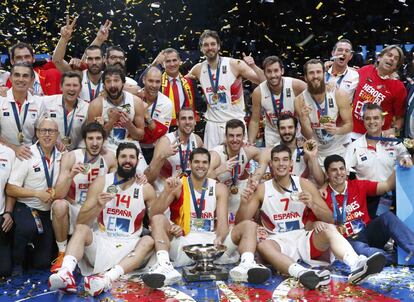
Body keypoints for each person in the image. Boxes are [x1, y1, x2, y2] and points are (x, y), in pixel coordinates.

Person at [236, 144, 386, 289]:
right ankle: (303, 274)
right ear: (271, 164)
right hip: (278, 240)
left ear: (291, 164)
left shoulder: (304, 184)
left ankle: (357, 264)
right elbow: (241, 225)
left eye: (285, 159)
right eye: (276, 160)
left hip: (303, 237)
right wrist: (244, 202)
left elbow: (329, 218)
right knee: (263, 245)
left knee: (328, 228)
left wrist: (312, 204)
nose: (281, 163)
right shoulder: (262, 189)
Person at [142, 148, 270, 289]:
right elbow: (153, 213)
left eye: (204, 162)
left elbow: (222, 223)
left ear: (209, 165)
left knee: (249, 225)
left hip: (212, 243)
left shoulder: (219, 187)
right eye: (196, 162)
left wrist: (220, 239)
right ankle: (164, 266)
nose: (200, 166)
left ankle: (246, 265)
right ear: (189, 164)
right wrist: (166, 192)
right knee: (158, 219)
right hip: (184, 242)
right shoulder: (179, 185)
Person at [48, 143, 156, 296]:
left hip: (129, 247)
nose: (127, 160)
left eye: (132, 157)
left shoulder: (145, 188)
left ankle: (105, 280)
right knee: (82, 230)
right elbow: (81, 220)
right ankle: (65, 273)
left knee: (149, 241)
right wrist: (98, 205)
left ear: (137, 161)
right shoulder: (101, 182)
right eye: (123, 156)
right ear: (117, 159)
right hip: (102, 245)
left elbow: (156, 219)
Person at [49, 122, 117, 273]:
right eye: (90, 138)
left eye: (98, 138)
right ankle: (62, 252)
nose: (94, 143)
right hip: (75, 208)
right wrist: (71, 175)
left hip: (96, 211)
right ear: (84, 141)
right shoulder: (71, 157)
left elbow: (117, 187)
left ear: (103, 140)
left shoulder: (110, 158)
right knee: (59, 205)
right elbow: (58, 194)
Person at [323, 154, 414, 264]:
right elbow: (311, 223)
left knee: (387, 217)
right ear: (327, 174)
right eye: (334, 170)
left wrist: (398, 167)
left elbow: (386, 186)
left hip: (368, 232)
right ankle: (398, 260)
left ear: (346, 170)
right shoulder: (322, 195)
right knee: (361, 251)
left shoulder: (358, 185)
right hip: (348, 240)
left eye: (341, 168)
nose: (339, 173)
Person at [188, 30, 265, 149]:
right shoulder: (198, 69)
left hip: (235, 125)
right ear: (201, 48)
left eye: (213, 44)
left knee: (238, 166)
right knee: (212, 166)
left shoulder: (234, 64)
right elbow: (179, 83)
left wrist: (253, 66)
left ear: (218, 46)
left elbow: (263, 81)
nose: (210, 47)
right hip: (212, 126)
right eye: (206, 45)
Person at [6, 118, 63, 272]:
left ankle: (30, 254)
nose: (47, 134)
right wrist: (37, 194)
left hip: (48, 211)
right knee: (27, 228)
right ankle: (17, 263)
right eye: (43, 130)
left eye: (51, 131)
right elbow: (10, 188)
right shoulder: (27, 154)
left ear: (57, 134)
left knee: (43, 263)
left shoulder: (63, 156)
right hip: (27, 206)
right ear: (37, 133)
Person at [345, 103, 412, 217]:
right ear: (364, 121)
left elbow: (406, 157)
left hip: (394, 197)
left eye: (376, 118)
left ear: (383, 121)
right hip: (368, 199)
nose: (372, 122)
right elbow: (344, 172)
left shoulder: (393, 142)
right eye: (368, 118)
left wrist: (407, 160)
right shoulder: (354, 147)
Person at [295, 59, 353, 167]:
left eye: (318, 72)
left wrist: (337, 130)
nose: (315, 76)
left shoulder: (338, 94)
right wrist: (303, 119)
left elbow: (349, 125)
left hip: (339, 146)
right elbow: (308, 135)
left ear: (324, 74)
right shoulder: (300, 100)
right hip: (318, 149)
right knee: (319, 182)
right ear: (306, 77)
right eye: (311, 73)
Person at [208, 119, 261, 224]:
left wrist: (256, 177)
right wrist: (219, 170)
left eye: (238, 136)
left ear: (243, 137)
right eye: (231, 135)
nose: (235, 139)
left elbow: (268, 157)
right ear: (226, 137)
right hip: (216, 201)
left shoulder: (248, 151)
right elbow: (200, 179)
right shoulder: (216, 155)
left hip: (235, 196)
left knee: (256, 188)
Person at [251, 114, 324, 186]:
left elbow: (320, 181)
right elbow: (258, 175)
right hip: (278, 194)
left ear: (297, 129)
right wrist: (253, 182)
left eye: (290, 127)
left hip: (302, 194)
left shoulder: (306, 151)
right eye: (282, 128)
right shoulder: (269, 152)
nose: (287, 131)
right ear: (278, 130)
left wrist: (312, 157)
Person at [248, 55, 306, 146]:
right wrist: (250, 142)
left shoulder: (295, 85)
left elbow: (315, 91)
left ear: (282, 71)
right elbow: (255, 120)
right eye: (269, 71)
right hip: (273, 133)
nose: (273, 75)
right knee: (273, 159)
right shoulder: (258, 92)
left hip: (294, 131)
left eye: (276, 71)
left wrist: (327, 85)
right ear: (264, 73)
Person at [351, 45, 407, 139]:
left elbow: (399, 118)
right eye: (389, 55)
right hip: (352, 133)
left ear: (396, 66)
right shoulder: (365, 70)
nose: (392, 59)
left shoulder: (399, 88)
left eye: (396, 58)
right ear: (379, 57)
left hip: (377, 138)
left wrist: (392, 132)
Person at [87, 66, 145, 152]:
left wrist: (129, 125)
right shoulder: (96, 105)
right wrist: (111, 122)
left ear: (123, 83)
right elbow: (91, 140)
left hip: (130, 148)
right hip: (105, 150)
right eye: (108, 81)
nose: (112, 85)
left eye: (116, 80)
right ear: (104, 85)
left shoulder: (135, 102)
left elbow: (140, 136)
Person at [145, 107, 203, 192]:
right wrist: (162, 156)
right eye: (183, 118)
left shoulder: (197, 140)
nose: (187, 122)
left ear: (195, 122)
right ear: (177, 122)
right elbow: (148, 178)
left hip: (187, 191)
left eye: (190, 118)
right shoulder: (165, 141)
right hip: (165, 191)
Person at [0, 62, 47, 160]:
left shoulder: (38, 103)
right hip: (3, 153)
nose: (21, 79)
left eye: (25, 76)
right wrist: (14, 148)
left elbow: (41, 132)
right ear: (10, 78)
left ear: (32, 80)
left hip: (29, 154)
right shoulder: (1, 100)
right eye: (17, 75)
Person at [142, 48, 198, 129]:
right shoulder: (157, 82)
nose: (172, 64)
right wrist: (154, 64)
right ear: (163, 64)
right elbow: (141, 83)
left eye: (174, 60)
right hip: (161, 127)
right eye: (168, 61)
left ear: (179, 61)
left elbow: (199, 104)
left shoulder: (189, 82)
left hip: (186, 128)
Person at [52, 16, 104, 102]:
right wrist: (64, 38)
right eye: (90, 59)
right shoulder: (78, 75)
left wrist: (99, 39)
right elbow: (57, 60)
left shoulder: (110, 78)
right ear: (86, 60)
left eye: (97, 58)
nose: (94, 62)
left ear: (104, 59)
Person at [42, 71, 89, 151]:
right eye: (68, 85)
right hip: (50, 150)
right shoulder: (46, 102)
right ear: (61, 87)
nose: (71, 89)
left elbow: (87, 134)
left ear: (80, 88)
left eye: (75, 85)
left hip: (74, 152)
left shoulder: (87, 108)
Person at [140, 67, 173, 163]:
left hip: (155, 149)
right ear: (143, 80)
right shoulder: (134, 98)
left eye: (157, 82)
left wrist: (146, 115)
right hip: (134, 146)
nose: (154, 85)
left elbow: (159, 133)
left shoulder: (166, 103)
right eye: (150, 81)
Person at [0, 144, 16, 276]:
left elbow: (11, 188)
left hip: (1, 216)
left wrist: (8, 212)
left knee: (4, 271)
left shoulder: (8, 153)